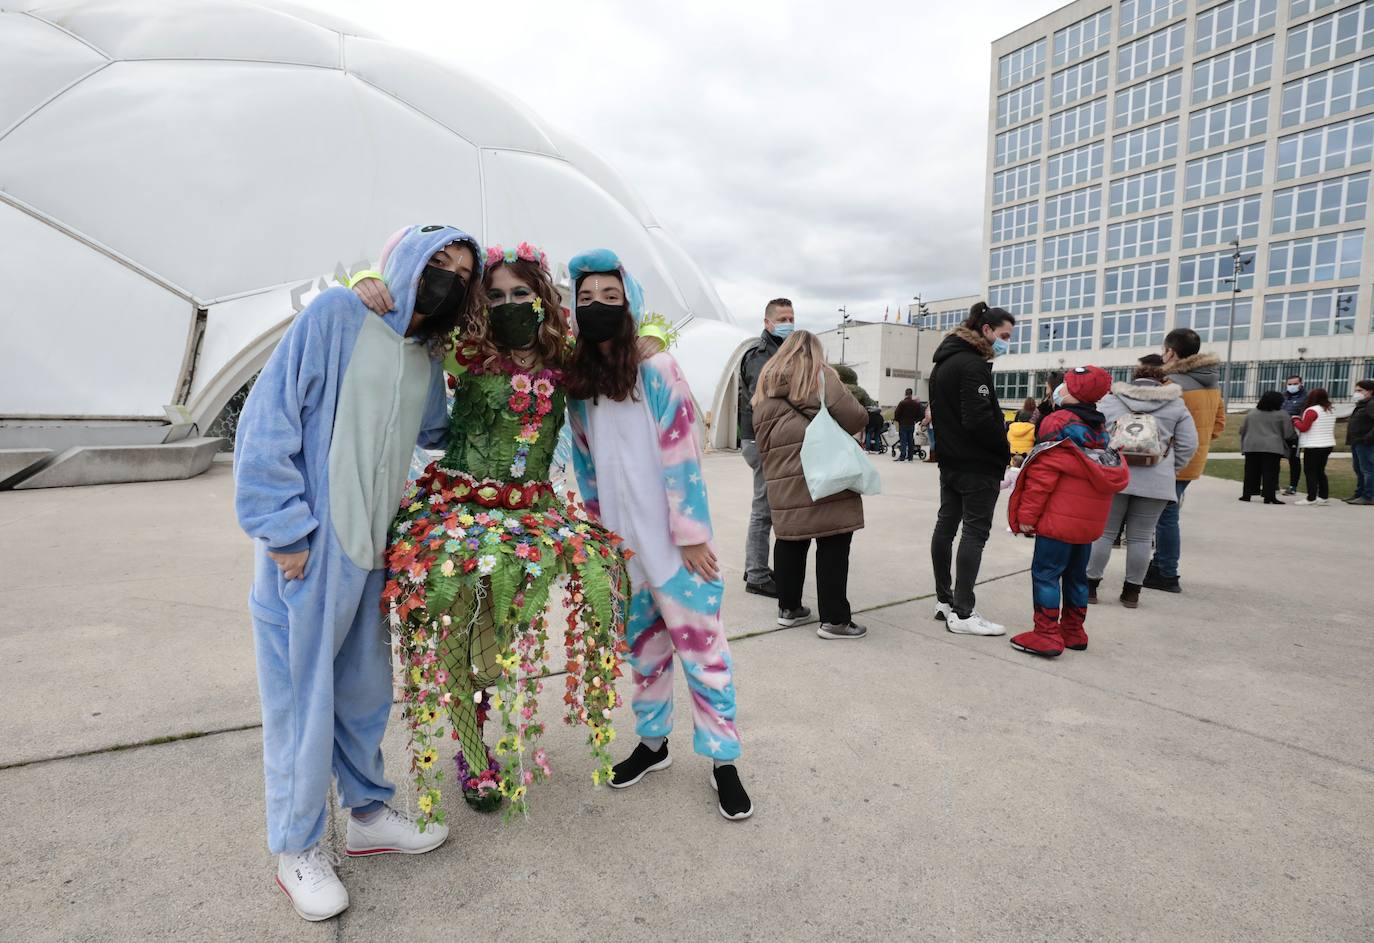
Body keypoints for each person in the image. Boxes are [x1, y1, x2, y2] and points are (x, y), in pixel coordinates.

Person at [234, 225, 480, 922]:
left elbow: (435, 434)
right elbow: (267, 421)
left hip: (371, 553)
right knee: (300, 702)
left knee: (365, 691)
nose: (447, 279)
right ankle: (298, 848)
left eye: (462, 275)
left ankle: (368, 813)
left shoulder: (424, 358)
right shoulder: (336, 316)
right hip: (309, 552)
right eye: (437, 262)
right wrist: (283, 531)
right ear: (404, 259)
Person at [350, 243, 631, 819]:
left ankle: (474, 715)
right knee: (455, 640)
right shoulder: (460, 349)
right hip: (458, 513)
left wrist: (651, 331)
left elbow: (626, 339)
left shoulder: (568, 356)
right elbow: (398, 320)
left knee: (490, 651)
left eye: (521, 293)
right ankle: (474, 759)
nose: (509, 304)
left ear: (542, 297)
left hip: (529, 521)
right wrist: (364, 282)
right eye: (496, 294)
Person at [563, 248, 752, 821]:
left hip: (674, 545)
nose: (597, 307)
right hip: (621, 545)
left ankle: (723, 761)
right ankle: (652, 744)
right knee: (643, 651)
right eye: (586, 299)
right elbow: (584, 461)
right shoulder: (580, 383)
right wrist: (598, 535)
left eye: (610, 298)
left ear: (630, 303)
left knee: (702, 650)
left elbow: (683, 452)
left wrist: (691, 533)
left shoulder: (657, 369)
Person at [751, 330, 869, 639]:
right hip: (822, 469)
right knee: (833, 538)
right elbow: (854, 417)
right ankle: (835, 620)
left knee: (790, 537)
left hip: (782, 474)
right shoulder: (819, 375)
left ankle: (789, 609)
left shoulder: (764, 385)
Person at [1007, 367, 1129, 656]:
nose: (1058, 388)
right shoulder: (1099, 430)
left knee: (1046, 574)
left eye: (1065, 385)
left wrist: (1026, 517)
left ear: (1073, 392)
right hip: (1086, 524)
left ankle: (1046, 634)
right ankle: (1074, 630)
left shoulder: (1057, 424)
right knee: (1076, 576)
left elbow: (1041, 477)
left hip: (1057, 521)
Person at [928, 301, 1016, 636]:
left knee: (946, 527)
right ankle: (963, 611)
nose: (1006, 342)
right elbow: (978, 419)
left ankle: (945, 600)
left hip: (951, 460)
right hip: (976, 463)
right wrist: (1003, 447)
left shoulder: (944, 363)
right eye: (1004, 335)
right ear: (987, 331)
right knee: (974, 534)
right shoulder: (972, 365)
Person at [1086, 364, 1198, 608]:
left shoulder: (1111, 400)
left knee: (1104, 533)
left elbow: (1095, 435)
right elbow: (1189, 443)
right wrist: (1170, 467)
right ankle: (1131, 593)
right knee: (1141, 538)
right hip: (1156, 480)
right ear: (1162, 381)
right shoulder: (1176, 405)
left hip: (1114, 474)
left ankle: (1090, 587)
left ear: (1134, 379)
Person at [1143, 329, 1225, 594]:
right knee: (1167, 514)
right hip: (1194, 458)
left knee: (1166, 517)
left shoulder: (1171, 384)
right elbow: (1218, 424)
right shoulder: (1211, 384)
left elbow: (1154, 423)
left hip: (1170, 460)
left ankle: (1167, 572)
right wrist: (1199, 442)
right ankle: (1160, 565)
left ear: (1170, 352)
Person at [737, 299, 795, 599]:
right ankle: (757, 576)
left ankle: (754, 565)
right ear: (768, 323)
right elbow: (768, 394)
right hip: (760, 439)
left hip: (765, 437)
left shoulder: (782, 351)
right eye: (782, 318)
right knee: (764, 510)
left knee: (765, 508)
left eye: (791, 317)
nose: (788, 322)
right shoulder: (761, 355)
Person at [1238, 391, 1295, 505]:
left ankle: (1247, 494)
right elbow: (1288, 433)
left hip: (1252, 446)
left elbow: (1242, 430)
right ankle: (1269, 496)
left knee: (1250, 471)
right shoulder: (1282, 414)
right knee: (1271, 472)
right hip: (1272, 447)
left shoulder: (1252, 413)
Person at [1293, 388, 1337, 506]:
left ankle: (1311, 497)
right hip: (1327, 443)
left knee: (1310, 471)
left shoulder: (1311, 410)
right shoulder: (1330, 409)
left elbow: (1304, 427)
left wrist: (1295, 420)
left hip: (1314, 445)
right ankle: (1323, 496)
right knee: (1320, 470)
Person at [1345, 379, 1374, 504]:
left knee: (1367, 469)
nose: (1357, 393)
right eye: (1356, 390)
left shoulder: (1371, 404)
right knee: (1358, 468)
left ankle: (1369, 496)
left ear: (1370, 391)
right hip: (1356, 441)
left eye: (1360, 390)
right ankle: (1359, 493)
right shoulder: (1362, 404)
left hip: (1365, 442)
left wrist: (1367, 438)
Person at [1281, 374, 1307, 496]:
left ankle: (1293, 486)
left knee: (1294, 459)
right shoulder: (1283, 396)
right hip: (1280, 432)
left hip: (1295, 433)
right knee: (1275, 458)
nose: (1292, 386)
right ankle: (1273, 484)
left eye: (1295, 384)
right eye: (1289, 384)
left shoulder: (1305, 398)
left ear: (1301, 384)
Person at [893, 387, 925, 461]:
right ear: (911, 394)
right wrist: (915, 420)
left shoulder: (902, 403)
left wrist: (898, 420)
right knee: (910, 440)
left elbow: (897, 413)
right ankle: (910, 457)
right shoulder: (916, 404)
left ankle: (902, 456)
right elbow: (920, 414)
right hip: (911, 424)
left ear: (905, 394)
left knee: (903, 440)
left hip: (903, 424)